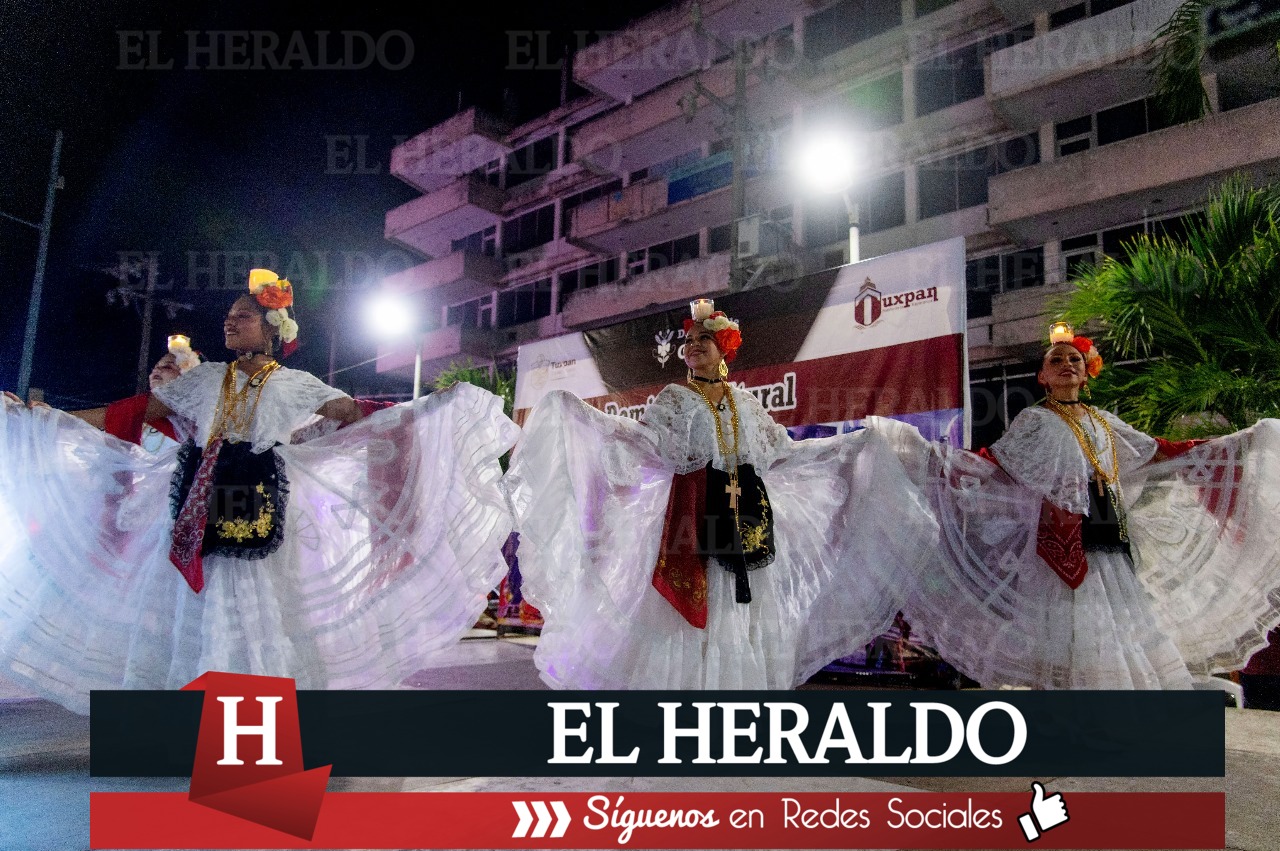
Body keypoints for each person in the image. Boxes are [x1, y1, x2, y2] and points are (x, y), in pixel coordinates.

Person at [0, 269, 518, 713]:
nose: (230, 321)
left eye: (243, 315)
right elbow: (132, 414)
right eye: (228, 315)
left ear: (272, 328)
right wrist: (41, 414)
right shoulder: (200, 379)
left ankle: (264, 718)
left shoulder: (299, 386)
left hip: (266, 506)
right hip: (197, 507)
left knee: (267, 606)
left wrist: (432, 407)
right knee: (198, 608)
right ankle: (198, 716)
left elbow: (362, 417)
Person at [504, 299, 937, 689]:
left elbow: (782, 449)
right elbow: (641, 440)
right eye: (688, 342)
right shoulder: (674, 398)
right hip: (693, 519)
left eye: (702, 341)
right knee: (696, 608)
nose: (692, 347)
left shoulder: (746, 404)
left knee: (738, 609)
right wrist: (581, 415)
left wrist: (850, 444)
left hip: (747, 517)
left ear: (723, 348)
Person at [876, 327, 1280, 689]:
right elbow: (994, 464)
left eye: (1075, 360)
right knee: (1069, 626)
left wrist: (1236, 444)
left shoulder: (1104, 421)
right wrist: (926, 458)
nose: (1067, 365)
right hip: (1062, 541)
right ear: (1042, 377)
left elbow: (1158, 451)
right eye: (1056, 360)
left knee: (1119, 621)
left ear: (1087, 373)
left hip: (1110, 532)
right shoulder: (1035, 420)